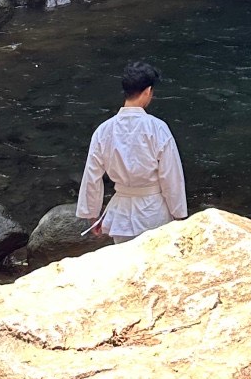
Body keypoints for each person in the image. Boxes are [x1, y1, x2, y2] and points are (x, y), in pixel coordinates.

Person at [76, 59, 188, 244]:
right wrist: (179, 215)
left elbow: (92, 176)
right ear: (147, 91)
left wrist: (92, 214)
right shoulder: (158, 129)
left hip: (121, 214)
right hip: (154, 214)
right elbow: (171, 177)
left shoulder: (103, 131)